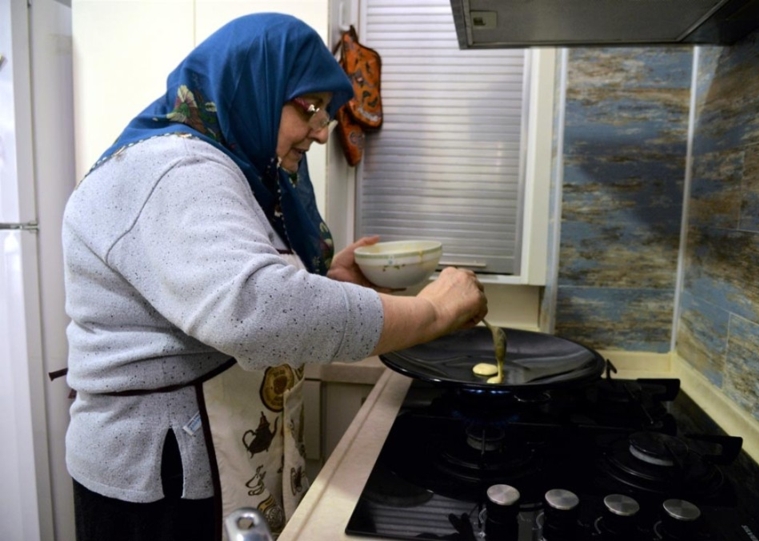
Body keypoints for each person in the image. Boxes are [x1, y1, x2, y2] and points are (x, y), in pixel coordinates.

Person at [60, 12, 487, 541]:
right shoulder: (172, 168)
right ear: (250, 83)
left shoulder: (233, 171)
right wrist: (433, 312)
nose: (321, 130)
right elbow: (255, 311)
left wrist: (330, 275)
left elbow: (226, 284)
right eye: (310, 107)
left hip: (207, 455)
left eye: (326, 113)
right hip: (160, 479)